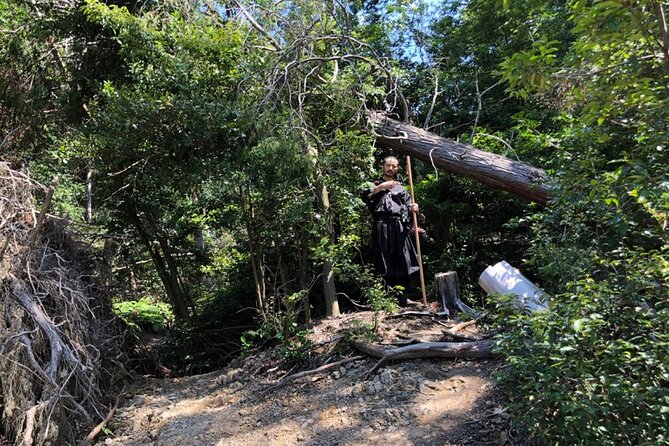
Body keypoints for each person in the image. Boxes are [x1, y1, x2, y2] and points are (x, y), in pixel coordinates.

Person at [362, 156, 420, 307]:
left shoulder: (401, 188)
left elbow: (408, 208)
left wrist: (413, 208)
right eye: (388, 165)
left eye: (394, 166)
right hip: (381, 226)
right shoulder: (373, 185)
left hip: (399, 226)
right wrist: (382, 187)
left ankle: (403, 298)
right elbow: (366, 197)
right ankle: (386, 300)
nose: (390, 168)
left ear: (397, 169)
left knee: (403, 259)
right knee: (384, 261)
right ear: (383, 166)